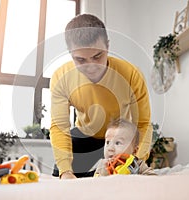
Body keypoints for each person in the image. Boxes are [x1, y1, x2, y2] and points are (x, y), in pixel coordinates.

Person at [49, 13, 152, 179]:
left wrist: (136, 160)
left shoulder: (131, 74)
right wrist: (66, 171)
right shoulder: (61, 77)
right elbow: (59, 127)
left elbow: (144, 123)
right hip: (83, 137)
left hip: (120, 139)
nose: (91, 66)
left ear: (108, 47)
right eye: (81, 60)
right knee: (62, 178)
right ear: (70, 54)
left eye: (98, 56)